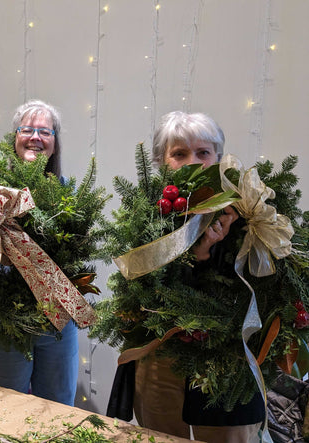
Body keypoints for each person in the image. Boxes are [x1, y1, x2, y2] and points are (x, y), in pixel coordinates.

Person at [133, 111, 264, 442]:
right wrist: (200, 253)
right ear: (162, 161)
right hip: (162, 354)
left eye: (203, 153)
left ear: (219, 158)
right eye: (179, 153)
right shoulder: (149, 217)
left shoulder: (247, 211)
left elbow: (251, 294)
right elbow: (146, 289)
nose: (193, 162)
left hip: (226, 362)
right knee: (157, 435)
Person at [0, 99, 78, 406]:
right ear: (14, 139)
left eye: (45, 131)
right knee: (4, 407)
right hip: (4, 317)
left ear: (54, 143)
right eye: (27, 129)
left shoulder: (69, 194)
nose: (36, 137)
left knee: (58, 407)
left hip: (57, 318)